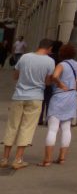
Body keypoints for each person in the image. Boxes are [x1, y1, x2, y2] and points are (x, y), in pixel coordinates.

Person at [0, 38, 54, 170]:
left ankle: (5, 158)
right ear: (49, 48)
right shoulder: (50, 61)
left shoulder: (24, 57)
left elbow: (15, 76)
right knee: (27, 127)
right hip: (36, 97)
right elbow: (47, 82)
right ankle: (18, 159)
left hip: (19, 96)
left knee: (12, 126)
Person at [39, 43, 77, 166]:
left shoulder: (61, 64)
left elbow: (55, 76)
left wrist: (59, 83)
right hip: (71, 96)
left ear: (61, 54)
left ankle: (47, 159)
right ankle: (62, 157)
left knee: (53, 128)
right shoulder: (76, 64)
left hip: (59, 96)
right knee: (66, 127)